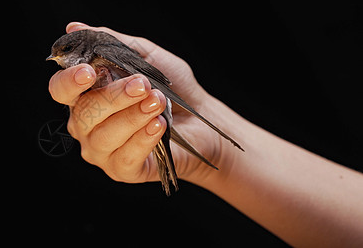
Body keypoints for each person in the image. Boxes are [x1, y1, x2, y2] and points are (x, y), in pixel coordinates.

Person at [48, 22, 363, 247]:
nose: (59, 60)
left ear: (82, 46)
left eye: (65, 52)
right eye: (57, 56)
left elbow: (152, 76)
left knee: (159, 131)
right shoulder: (89, 58)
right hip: (149, 107)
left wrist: (194, 111)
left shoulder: (102, 47)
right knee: (158, 138)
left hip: (154, 94)